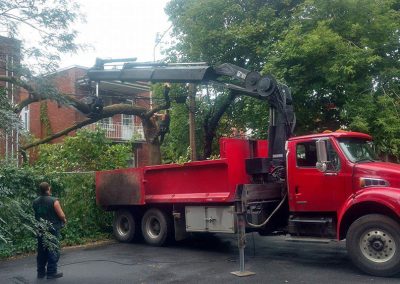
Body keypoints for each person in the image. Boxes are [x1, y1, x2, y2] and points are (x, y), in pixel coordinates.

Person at [33, 182, 67, 279]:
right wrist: (64, 220)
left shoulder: (35, 202)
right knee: (52, 249)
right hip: (52, 229)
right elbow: (61, 215)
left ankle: (40, 273)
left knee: (41, 250)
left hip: (40, 229)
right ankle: (51, 272)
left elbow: (37, 214)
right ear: (48, 189)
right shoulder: (54, 201)